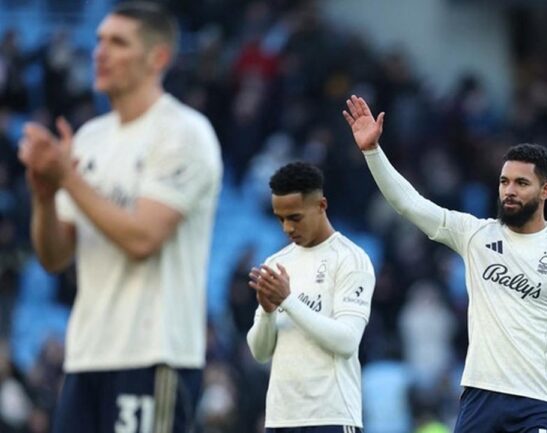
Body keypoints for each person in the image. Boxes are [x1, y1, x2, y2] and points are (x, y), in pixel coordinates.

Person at [343, 95, 547, 433]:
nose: (509, 190)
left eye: (522, 183)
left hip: (536, 401)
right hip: (479, 396)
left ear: (545, 190)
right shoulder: (474, 235)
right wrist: (373, 152)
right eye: (505, 181)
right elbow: (409, 204)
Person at [17, 2, 223, 432]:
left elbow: (144, 239)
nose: (99, 53)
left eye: (118, 42)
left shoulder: (183, 132)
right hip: (87, 355)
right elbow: (55, 257)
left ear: (158, 57)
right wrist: (44, 194)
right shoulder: (90, 139)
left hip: (153, 353)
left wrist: (68, 182)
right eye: (98, 41)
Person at [246, 161, 375, 433]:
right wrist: (268, 313)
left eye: (295, 217)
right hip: (281, 418)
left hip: (331, 416)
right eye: (280, 219)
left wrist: (288, 302)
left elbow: (347, 340)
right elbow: (259, 352)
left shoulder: (351, 259)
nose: (287, 228)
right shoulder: (276, 262)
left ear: (321, 206)